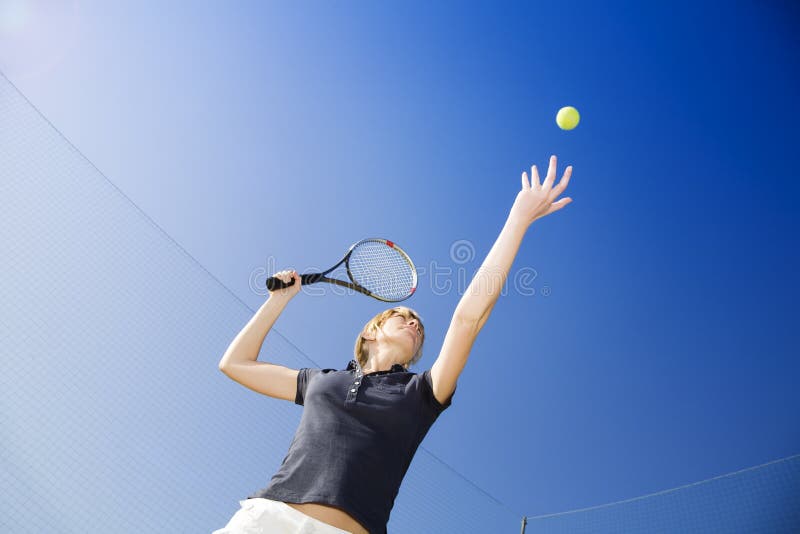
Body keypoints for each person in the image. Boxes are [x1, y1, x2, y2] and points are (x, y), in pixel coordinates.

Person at [215, 155, 573, 533]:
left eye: (419, 325)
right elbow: (235, 364)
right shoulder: (320, 380)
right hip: (267, 520)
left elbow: (468, 319)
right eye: (404, 317)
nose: (415, 323)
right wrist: (278, 301)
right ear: (370, 332)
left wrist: (518, 220)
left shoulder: (422, 393)